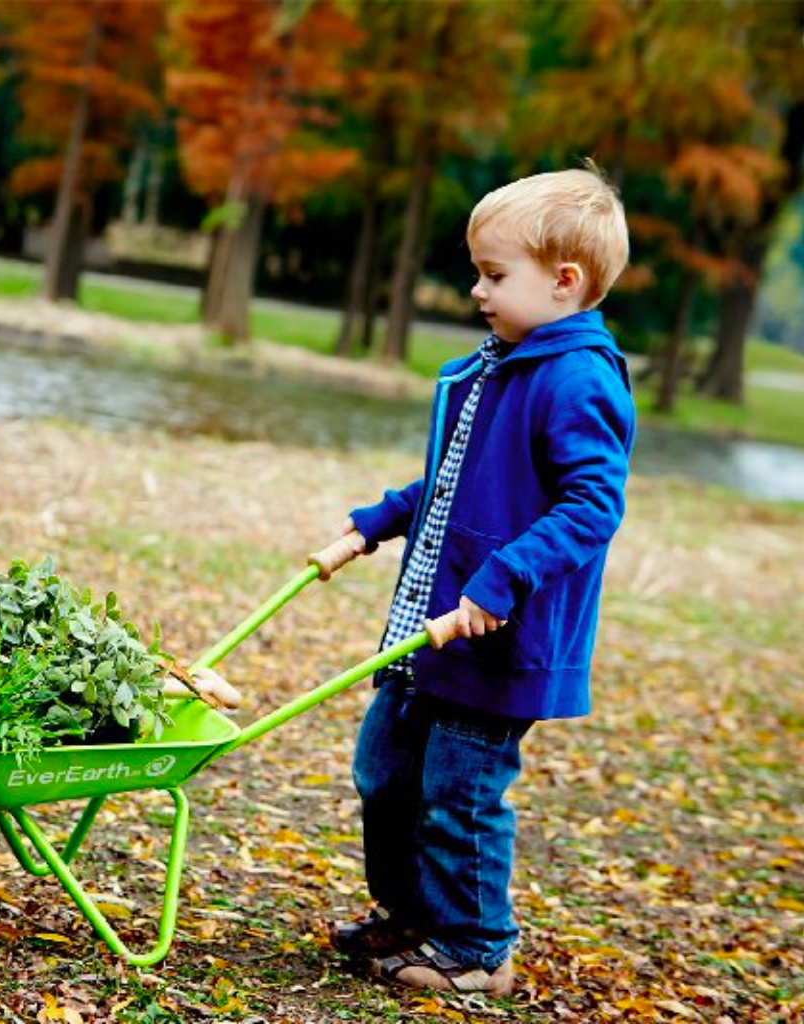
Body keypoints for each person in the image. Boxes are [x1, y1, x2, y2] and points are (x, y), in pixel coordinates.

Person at [328, 166, 636, 997]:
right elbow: (458, 480)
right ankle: (410, 912)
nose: (476, 290)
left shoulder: (576, 380)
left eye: (495, 275)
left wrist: (503, 580)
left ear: (564, 282)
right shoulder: (498, 365)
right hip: (429, 624)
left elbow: (591, 507)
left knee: (459, 794)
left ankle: (476, 948)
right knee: (385, 773)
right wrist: (381, 518)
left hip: (494, 635)